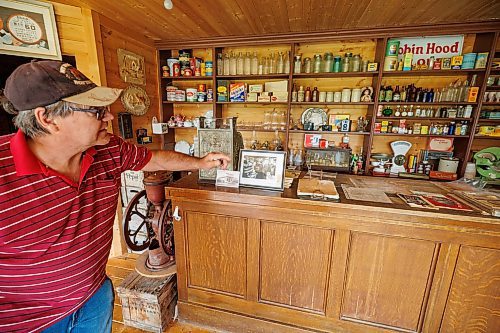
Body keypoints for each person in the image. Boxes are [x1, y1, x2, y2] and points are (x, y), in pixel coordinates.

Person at [0, 60, 230, 333]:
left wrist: (201, 162)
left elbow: (153, 159)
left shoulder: (108, 150)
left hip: (95, 299)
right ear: (47, 119)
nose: (108, 117)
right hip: (28, 324)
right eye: (96, 111)